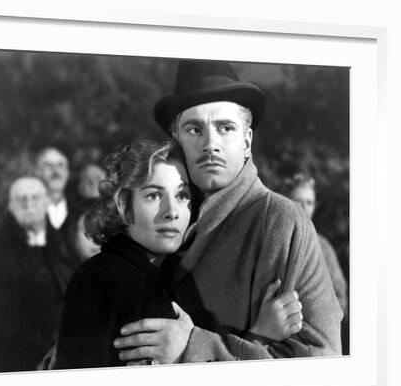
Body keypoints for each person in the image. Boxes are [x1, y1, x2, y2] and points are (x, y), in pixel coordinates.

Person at [113, 60, 343, 364]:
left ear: (247, 142)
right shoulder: (156, 217)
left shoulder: (281, 221)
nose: (210, 144)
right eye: (194, 129)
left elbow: (322, 360)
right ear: (176, 140)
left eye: (225, 128)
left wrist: (192, 347)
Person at [55, 139, 303, 369]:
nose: (171, 211)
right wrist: (260, 336)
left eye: (182, 195)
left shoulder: (173, 273)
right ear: (124, 206)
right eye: (153, 195)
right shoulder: (113, 280)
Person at [0, 176, 74, 372]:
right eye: (21, 199)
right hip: (23, 357)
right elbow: (7, 316)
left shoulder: (64, 244)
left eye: (35, 197)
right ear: (11, 206)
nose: (28, 204)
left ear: (46, 201)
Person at [283, 172, 349, 353]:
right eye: (298, 201)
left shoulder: (324, 247)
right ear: (286, 201)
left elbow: (340, 295)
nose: (304, 207)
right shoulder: (274, 242)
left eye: (309, 202)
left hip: (318, 340)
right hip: (279, 339)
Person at [33, 146, 71, 231]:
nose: (55, 170)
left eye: (60, 165)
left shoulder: (79, 212)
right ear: (37, 172)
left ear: (68, 172)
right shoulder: (26, 211)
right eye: (48, 165)